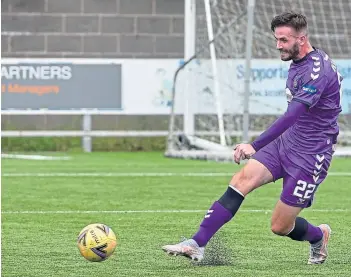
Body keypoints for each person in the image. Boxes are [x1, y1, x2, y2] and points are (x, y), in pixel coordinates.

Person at [162, 11, 343, 265]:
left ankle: (317, 236)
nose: (278, 45)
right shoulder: (299, 61)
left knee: (280, 226)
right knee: (241, 180)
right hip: (286, 142)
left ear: (301, 39)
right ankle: (197, 243)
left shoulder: (318, 71)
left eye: (283, 40)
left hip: (311, 155)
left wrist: (254, 145)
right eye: (276, 39)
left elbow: (292, 115)